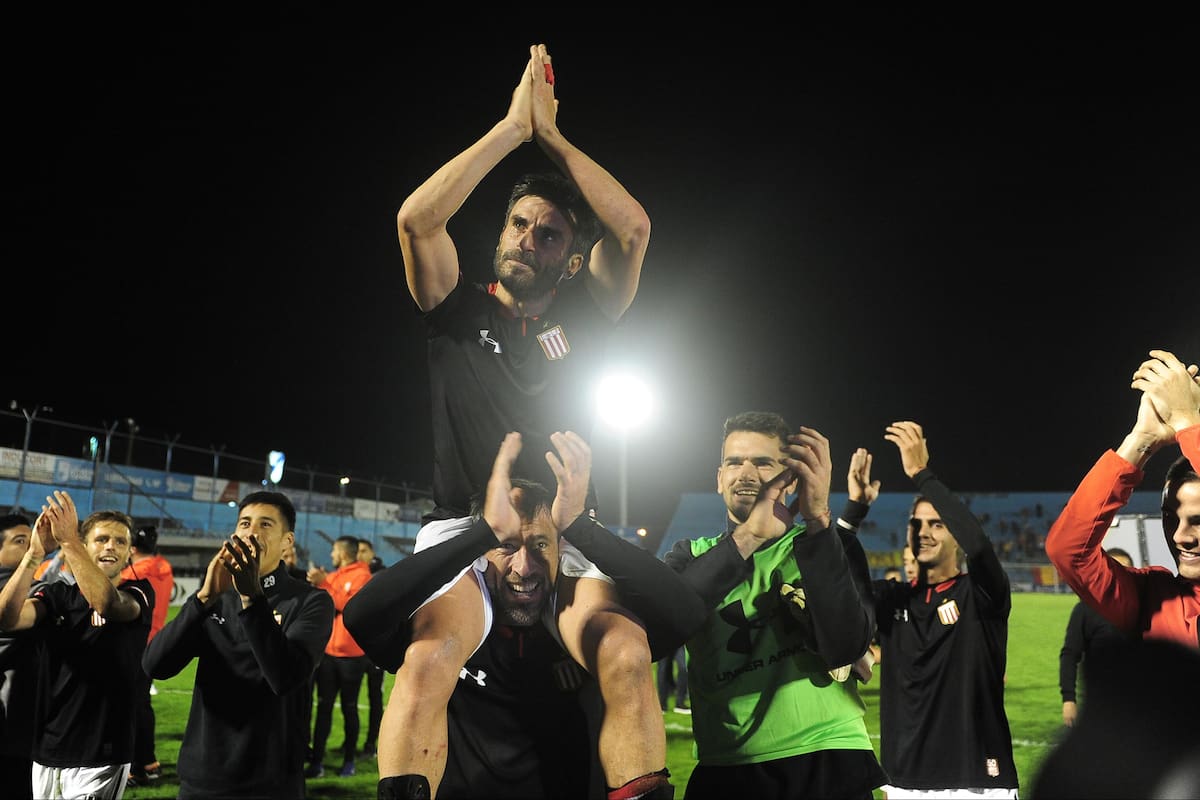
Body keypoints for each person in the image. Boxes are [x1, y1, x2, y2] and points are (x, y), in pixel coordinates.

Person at [393, 41, 663, 800]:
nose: (526, 240)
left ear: (570, 261)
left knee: (627, 656)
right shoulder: (454, 309)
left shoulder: (589, 312)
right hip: (463, 526)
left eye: (548, 235)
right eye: (518, 224)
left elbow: (634, 229)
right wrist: (513, 129)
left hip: (569, 525)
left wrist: (554, 138)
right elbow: (417, 219)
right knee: (426, 662)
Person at [345, 431, 703, 800]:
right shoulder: (449, 624)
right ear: (483, 552)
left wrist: (580, 527)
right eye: (507, 545)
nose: (524, 565)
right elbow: (361, 617)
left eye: (540, 545)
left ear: (560, 553)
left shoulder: (585, 627)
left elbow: (686, 614)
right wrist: (479, 533)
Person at [662, 412, 887, 800]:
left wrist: (818, 520)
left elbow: (849, 645)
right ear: (719, 479)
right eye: (734, 462)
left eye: (763, 462)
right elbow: (662, 625)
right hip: (728, 765)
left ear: (791, 478)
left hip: (828, 758)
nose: (746, 472)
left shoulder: (832, 545)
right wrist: (748, 537)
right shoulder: (688, 555)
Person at [142, 490, 335, 800]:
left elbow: (284, 677)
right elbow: (155, 666)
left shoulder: (311, 601)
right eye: (245, 523)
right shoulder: (214, 598)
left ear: (287, 541)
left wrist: (251, 597)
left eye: (265, 524)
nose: (251, 531)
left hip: (273, 784)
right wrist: (202, 600)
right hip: (202, 780)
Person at [865, 421, 1018, 799]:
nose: (924, 532)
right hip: (904, 783)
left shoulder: (982, 595)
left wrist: (922, 475)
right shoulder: (891, 599)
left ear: (956, 535)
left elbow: (980, 549)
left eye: (937, 524)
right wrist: (853, 511)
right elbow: (836, 585)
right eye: (915, 524)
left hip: (978, 783)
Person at [0, 492, 153, 800]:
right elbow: (7, 619)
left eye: (120, 542)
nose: (111, 546)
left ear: (128, 555)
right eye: (101, 539)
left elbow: (106, 603)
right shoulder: (57, 596)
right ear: (86, 546)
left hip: (102, 749)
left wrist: (69, 542)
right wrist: (34, 555)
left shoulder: (138, 592)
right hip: (48, 746)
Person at [1045, 348, 1200, 651]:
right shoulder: (1152, 598)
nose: (1181, 536)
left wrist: (1187, 422)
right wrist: (1141, 440)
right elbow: (1067, 551)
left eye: (1199, 521)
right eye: (1170, 517)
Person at [305, 535, 375, 779]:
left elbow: (351, 606)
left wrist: (325, 584)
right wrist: (317, 584)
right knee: (323, 708)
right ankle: (317, 761)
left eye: (334, 550)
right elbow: (323, 603)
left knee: (349, 708)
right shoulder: (333, 577)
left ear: (344, 553)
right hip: (328, 655)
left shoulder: (363, 577)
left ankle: (349, 761)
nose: (332, 554)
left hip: (351, 657)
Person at [120, 524, 173, 786]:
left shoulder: (133, 574)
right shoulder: (164, 567)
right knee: (141, 704)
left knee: (129, 706)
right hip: (155, 643)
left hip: (134, 643)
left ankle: (130, 766)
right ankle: (148, 763)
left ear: (131, 548)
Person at [1057, 547, 1135, 728]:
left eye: (1125, 570)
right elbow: (1070, 655)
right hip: (1098, 703)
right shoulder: (1085, 610)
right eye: (1113, 570)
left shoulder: (1145, 607)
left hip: (1139, 702)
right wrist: (1069, 699)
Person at [0, 512, 40, 800]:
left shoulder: (37, 589)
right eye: (20, 541)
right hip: (12, 729)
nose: (30, 546)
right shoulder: (30, 591)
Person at [357, 537, 386, 758]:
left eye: (364, 551)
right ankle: (354, 742)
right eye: (357, 551)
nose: (360, 555)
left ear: (372, 552)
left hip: (377, 649)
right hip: (356, 648)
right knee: (353, 698)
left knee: (375, 697)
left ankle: (372, 744)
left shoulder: (382, 575)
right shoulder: (354, 574)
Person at [655, 645, 689, 714]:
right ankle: (662, 705)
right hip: (662, 641)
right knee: (663, 670)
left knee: (683, 668)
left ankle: (680, 703)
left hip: (678, 641)